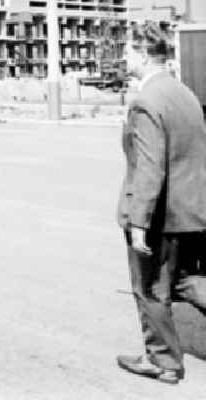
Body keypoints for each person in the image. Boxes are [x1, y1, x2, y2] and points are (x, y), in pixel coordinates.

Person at [116, 21, 206, 386]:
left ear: (141, 53)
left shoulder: (146, 101)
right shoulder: (183, 93)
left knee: (150, 287)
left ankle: (164, 361)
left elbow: (150, 168)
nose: (124, 57)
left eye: (126, 50)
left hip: (161, 218)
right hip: (191, 212)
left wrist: (139, 221)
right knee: (187, 280)